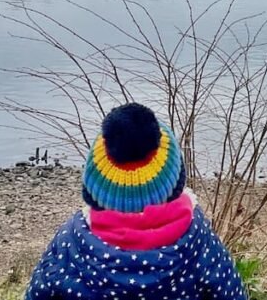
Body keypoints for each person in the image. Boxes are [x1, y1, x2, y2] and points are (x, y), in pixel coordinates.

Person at [25, 103, 247, 300]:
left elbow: (37, 293)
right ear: (176, 182)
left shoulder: (71, 240)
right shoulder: (196, 237)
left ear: (93, 191)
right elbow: (231, 292)